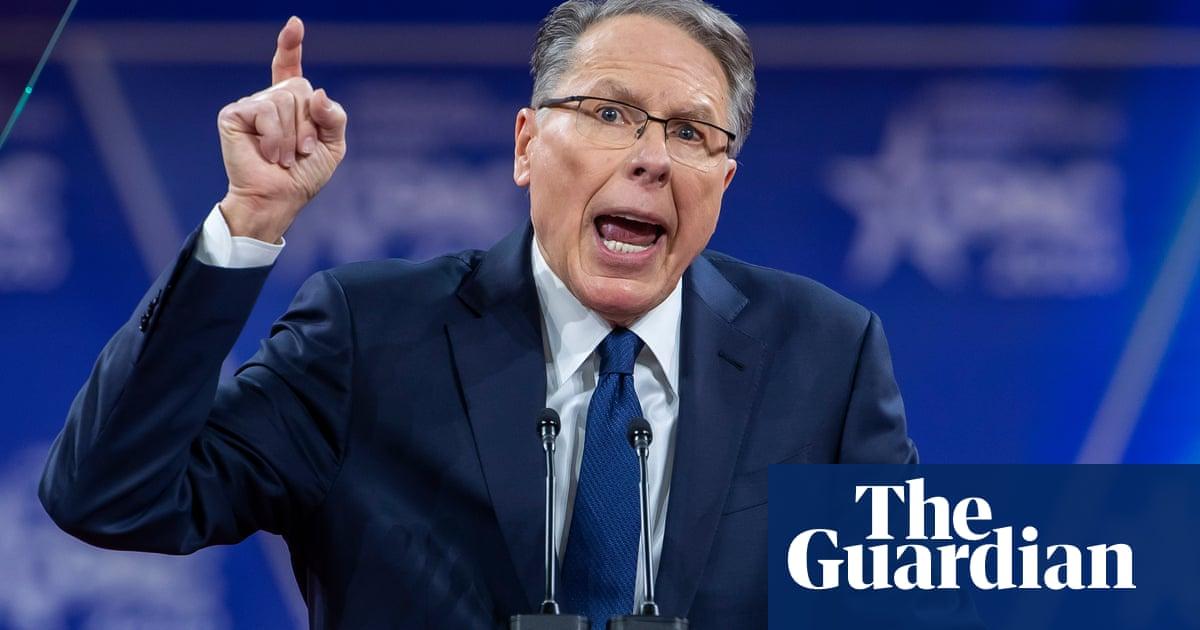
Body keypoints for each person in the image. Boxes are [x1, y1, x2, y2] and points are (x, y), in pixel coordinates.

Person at [40, 1, 917, 628]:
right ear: (527, 144)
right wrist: (249, 223)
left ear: (723, 182)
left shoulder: (824, 353)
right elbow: (111, 497)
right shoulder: (368, 334)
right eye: (610, 113)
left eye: (691, 132)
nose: (652, 157)